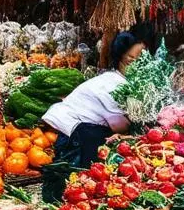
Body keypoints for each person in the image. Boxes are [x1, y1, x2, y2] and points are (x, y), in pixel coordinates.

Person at [41, 31, 145, 170]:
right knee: (80, 176)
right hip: (76, 134)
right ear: (129, 59)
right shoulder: (115, 84)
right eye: (142, 57)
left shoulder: (114, 78)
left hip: (75, 129)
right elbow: (119, 125)